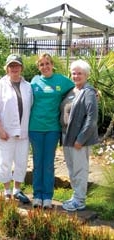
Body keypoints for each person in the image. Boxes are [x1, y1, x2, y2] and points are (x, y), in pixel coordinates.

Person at [29, 53, 75, 209]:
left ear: (52, 64)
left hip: (52, 129)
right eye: (41, 64)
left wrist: (91, 91)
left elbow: (77, 87)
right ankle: (37, 195)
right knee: (37, 163)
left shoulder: (62, 80)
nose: (45, 66)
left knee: (48, 164)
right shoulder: (34, 81)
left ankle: (47, 197)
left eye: (47, 63)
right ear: (38, 67)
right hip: (35, 128)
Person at [0, 53, 33, 203]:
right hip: (4, 132)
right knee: (5, 161)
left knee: (21, 161)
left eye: (17, 65)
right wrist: (0, 130)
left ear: (21, 68)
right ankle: (7, 191)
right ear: (7, 68)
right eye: (11, 65)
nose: (14, 68)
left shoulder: (28, 86)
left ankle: (17, 190)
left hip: (23, 132)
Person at [60, 59, 99, 211]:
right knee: (71, 168)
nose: (76, 76)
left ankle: (80, 201)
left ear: (87, 75)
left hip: (78, 140)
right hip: (67, 136)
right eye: (74, 73)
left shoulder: (89, 92)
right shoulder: (72, 90)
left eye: (80, 73)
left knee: (80, 169)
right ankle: (76, 196)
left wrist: (80, 139)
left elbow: (92, 119)